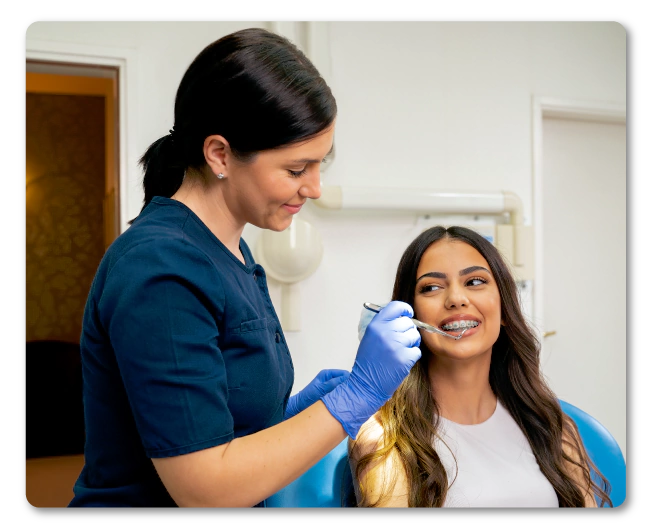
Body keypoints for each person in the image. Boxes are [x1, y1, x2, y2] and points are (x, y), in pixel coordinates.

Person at [67, 27, 422, 508]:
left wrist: (299, 411)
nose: (314, 187)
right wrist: (354, 397)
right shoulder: (160, 269)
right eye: (297, 170)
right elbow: (204, 489)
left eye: (321, 164)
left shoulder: (231, 251)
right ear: (220, 155)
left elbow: (221, 420)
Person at [348, 225, 613, 508]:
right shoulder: (383, 436)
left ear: (504, 311)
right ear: (408, 315)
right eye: (432, 287)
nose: (456, 299)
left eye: (474, 282)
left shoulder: (554, 428)